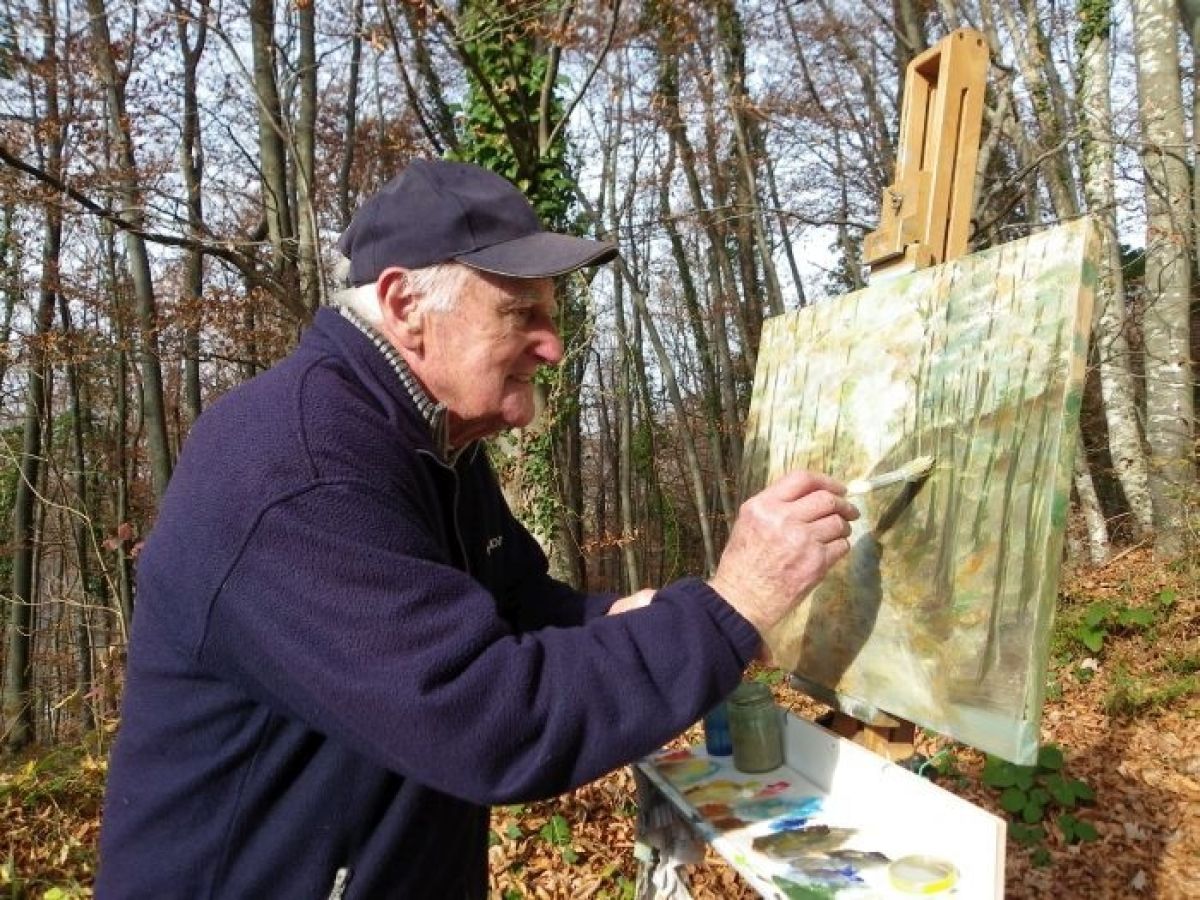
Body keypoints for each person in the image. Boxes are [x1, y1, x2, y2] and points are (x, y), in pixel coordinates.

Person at [96, 159, 858, 899]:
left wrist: (631, 615)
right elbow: (487, 719)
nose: (553, 346)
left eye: (551, 315)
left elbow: (518, 604)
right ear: (405, 306)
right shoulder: (301, 468)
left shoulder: (433, 440)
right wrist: (731, 606)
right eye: (521, 313)